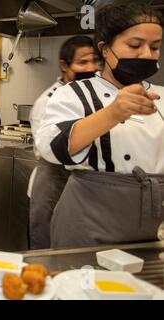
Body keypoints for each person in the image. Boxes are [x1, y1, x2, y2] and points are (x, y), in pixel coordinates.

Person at [36, 2, 164, 248]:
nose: (147, 55)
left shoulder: (161, 95)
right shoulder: (74, 93)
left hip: (153, 220)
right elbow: (52, 147)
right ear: (105, 49)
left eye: (155, 47)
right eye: (135, 45)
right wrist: (113, 113)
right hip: (91, 215)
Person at [28, 36, 99, 249]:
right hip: (55, 181)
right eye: (83, 62)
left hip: (85, 187)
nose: (91, 68)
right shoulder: (49, 101)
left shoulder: (94, 94)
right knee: (48, 248)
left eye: (95, 61)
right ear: (64, 66)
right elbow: (50, 151)